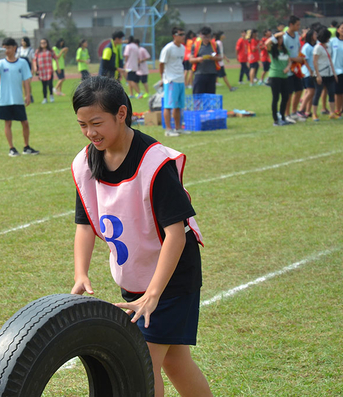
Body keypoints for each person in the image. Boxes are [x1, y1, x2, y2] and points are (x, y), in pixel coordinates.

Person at [70, 76, 212, 397]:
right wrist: (81, 273)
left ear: (122, 114)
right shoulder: (88, 162)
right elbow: (84, 223)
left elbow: (176, 234)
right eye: (82, 125)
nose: (90, 133)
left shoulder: (154, 161)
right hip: (136, 276)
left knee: (143, 364)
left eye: (97, 123)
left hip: (171, 276)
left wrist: (154, 293)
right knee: (175, 362)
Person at [0, 38, 39, 157]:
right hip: (4, 99)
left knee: (25, 123)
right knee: (7, 123)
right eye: (5, 48)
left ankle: (26, 146)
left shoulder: (22, 63)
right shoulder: (1, 63)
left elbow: (26, 80)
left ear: (14, 48)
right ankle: (11, 148)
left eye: (8, 47)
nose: (7, 50)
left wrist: (28, 94)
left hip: (17, 98)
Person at [160, 27, 189, 137]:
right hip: (170, 80)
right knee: (168, 105)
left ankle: (178, 128)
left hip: (180, 79)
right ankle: (168, 129)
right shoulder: (168, 48)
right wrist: (162, 78)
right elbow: (161, 63)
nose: (183, 36)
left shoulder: (182, 48)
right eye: (180, 34)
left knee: (179, 106)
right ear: (174, 36)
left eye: (183, 34)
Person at [266, 31, 293, 126]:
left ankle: (282, 117)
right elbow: (266, 43)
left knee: (285, 97)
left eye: (282, 38)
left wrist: (288, 67)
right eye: (279, 38)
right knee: (276, 98)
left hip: (284, 77)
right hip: (275, 76)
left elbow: (290, 61)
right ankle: (276, 120)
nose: (281, 40)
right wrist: (276, 34)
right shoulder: (272, 49)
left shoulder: (284, 50)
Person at [311, 27, 339, 121]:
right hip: (320, 73)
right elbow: (314, 62)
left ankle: (332, 112)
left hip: (329, 73)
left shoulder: (328, 46)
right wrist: (318, 75)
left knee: (331, 92)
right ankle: (314, 114)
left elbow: (330, 60)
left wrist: (334, 73)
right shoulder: (317, 47)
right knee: (318, 93)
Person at [284, 15, 307, 123]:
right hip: (288, 68)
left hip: (296, 68)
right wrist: (295, 59)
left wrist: (300, 58)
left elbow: (298, 48)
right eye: (297, 25)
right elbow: (283, 55)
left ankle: (294, 113)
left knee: (299, 89)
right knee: (288, 92)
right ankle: (286, 114)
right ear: (291, 25)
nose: (299, 27)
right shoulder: (285, 37)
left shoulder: (297, 35)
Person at [190, 26, 222, 94]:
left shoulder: (214, 45)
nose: (207, 39)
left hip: (211, 73)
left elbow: (220, 58)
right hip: (200, 73)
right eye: (205, 37)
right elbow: (191, 59)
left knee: (210, 95)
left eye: (208, 37)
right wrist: (197, 59)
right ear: (201, 36)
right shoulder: (196, 46)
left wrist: (213, 58)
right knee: (197, 94)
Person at [299, 29, 318, 118]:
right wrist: (310, 70)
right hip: (307, 72)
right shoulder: (307, 46)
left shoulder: (315, 45)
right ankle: (301, 109)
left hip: (313, 71)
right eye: (315, 34)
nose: (316, 35)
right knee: (310, 91)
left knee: (311, 91)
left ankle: (307, 111)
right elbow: (304, 59)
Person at [33, 38, 57, 104]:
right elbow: (34, 60)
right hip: (42, 71)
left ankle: (51, 96)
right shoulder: (38, 51)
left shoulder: (50, 50)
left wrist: (57, 67)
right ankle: (45, 98)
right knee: (43, 85)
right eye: (41, 43)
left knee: (50, 84)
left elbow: (55, 58)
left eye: (44, 43)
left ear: (47, 43)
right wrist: (35, 67)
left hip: (49, 70)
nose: (43, 44)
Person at [17, 37, 35, 103]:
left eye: (24, 41)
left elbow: (33, 60)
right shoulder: (19, 50)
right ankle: (25, 97)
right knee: (23, 84)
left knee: (28, 82)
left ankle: (29, 95)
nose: (23, 43)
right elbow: (17, 58)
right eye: (22, 41)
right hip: (21, 68)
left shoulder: (30, 50)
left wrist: (32, 69)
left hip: (28, 68)